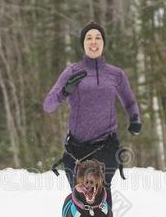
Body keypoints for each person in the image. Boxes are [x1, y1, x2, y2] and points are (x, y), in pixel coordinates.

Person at [43, 21, 142, 206]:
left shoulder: (116, 74)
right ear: (83, 43)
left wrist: (135, 119)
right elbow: (48, 105)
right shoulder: (72, 71)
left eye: (98, 38)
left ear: (103, 43)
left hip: (106, 147)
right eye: (89, 38)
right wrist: (66, 90)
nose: (93, 41)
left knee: (101, 199)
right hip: (77, 150)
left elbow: (129, 101)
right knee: (81, 202)